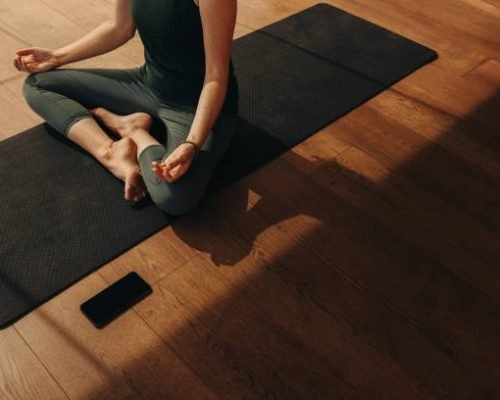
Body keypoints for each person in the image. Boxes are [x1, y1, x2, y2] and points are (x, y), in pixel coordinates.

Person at [13, 0, 239, 216]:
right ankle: (110, 153)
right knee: (37, 85)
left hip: (197, 105)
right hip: (148, 85)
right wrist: (56, 57)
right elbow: (119, 27)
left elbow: (216, 77)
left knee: (174, 197)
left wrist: (192, 143)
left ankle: (134, 131)